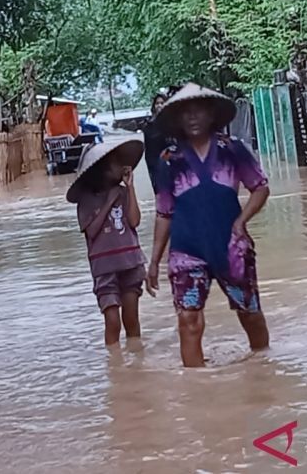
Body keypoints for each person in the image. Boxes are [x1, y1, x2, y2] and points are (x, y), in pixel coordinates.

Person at [146, 83, 270, 367]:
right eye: (185, 113)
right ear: (176, 119)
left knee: (250, 314)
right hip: (186, 250)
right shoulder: (168, 160)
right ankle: (197, 386)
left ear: (211, 114)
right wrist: (153, 261)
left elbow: (260, 188)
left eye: (198, 111)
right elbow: (164, 212)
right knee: (188, 321)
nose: (192, 118)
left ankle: (264, 369)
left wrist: (241, 222)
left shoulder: (232, 149)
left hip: (230, 246)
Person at [67, 139, 149, 346]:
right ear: (101, 170)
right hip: (104, 269)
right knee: (112, 322)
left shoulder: (123, 192)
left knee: (131, 320)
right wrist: (109, 202)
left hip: (130, 263)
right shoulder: (86, 200)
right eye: (115, 163)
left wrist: (130, 188)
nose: (120, 167)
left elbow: (134, 221)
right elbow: (92, 231)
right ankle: (114, 364)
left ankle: (134, 363)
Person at [142, 93, 170, 191]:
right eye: (157, 103)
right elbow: (148, 147)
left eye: (162, 103)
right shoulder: (148, 124)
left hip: (169, 162)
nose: (159, 105)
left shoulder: (173, 122)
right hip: (153, 162)